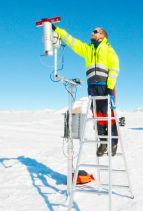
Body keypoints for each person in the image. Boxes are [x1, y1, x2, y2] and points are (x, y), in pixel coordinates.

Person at [52, 24, 119, 157]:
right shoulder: (87, 49)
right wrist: (56, 29)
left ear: (102, 35)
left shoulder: (108, 50)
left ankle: (113, 142)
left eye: (95, 31)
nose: (92, 33)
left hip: (105, 86)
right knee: (97, 115)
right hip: (92, 87)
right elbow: (72, 41)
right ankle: (103, 142)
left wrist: (110, 88)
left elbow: (114, 68)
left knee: (107, 114)